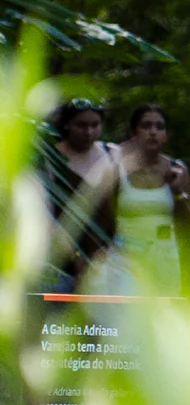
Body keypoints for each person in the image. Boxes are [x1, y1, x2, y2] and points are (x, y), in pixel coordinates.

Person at [113, 106, 190, 298]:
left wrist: (178, 192)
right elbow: (103, 219)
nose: (153, 132)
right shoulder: (116, 169)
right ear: (134, 132)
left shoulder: (177, 168)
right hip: (126, 256)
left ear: (167, 134)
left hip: (164, 254)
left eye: (160, 127)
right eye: (146, 126)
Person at [42, 99, 118, 288]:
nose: (88, 132)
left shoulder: (112, 153)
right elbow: (46, 212)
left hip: (107, 254)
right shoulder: (51, 157)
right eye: (81, 125)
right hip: (60, 257)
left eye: (95, 125)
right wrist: (75, 256)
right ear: (67, 124)